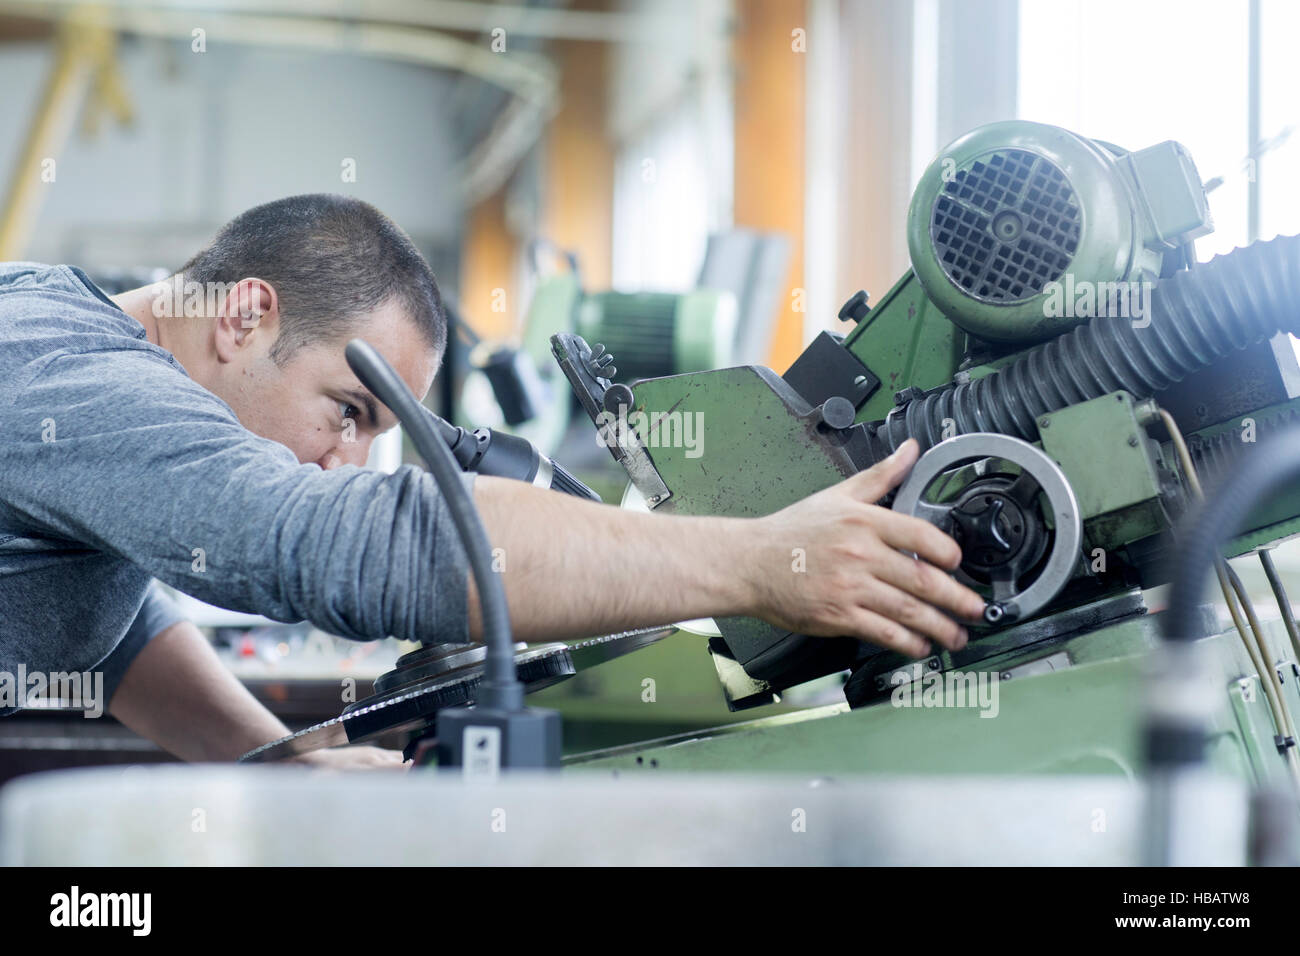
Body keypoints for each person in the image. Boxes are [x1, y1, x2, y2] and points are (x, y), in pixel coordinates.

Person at [0, 194, 984, 768]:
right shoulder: (75, 377)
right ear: (245, 315)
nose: (345, 460)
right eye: (347, 409)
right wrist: (762, 561)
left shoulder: (73, 351)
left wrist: (280, 763)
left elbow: (111, 625)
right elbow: (343, 542)